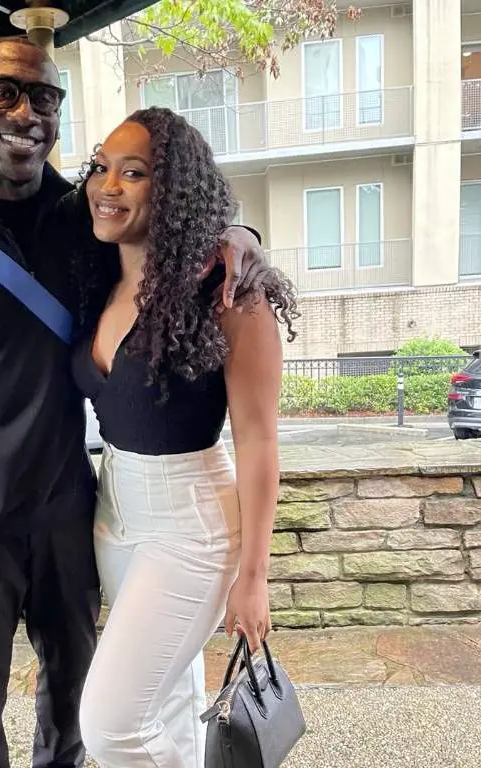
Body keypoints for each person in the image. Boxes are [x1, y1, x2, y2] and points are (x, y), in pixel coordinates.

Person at [0, 38, 271, 768]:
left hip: (69, 516)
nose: (25, 111)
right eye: (4, 92)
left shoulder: (78, 218)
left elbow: (169, 218)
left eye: (44, 97)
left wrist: (240, 234)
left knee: (80, 717)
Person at [72, 107, 299, 768]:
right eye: (101, 167)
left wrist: (253, 578)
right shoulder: (97, 271)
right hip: (114, 515)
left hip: (191, 524)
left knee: (112, 728)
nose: (107, 185)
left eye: (133, 173)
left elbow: (258, 442)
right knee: (163, 704)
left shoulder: (232, 295)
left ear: (172, 192)